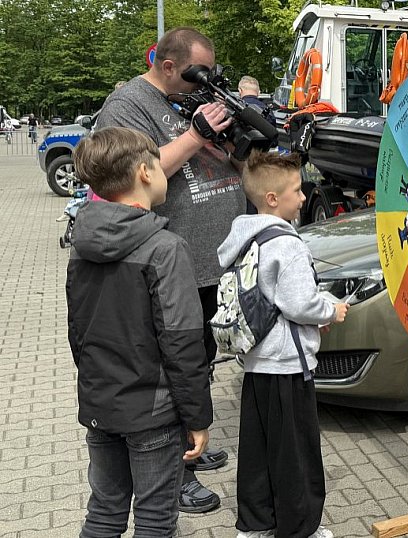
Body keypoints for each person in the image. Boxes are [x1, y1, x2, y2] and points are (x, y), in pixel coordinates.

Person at [95, 26, 241, 514]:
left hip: (205, 261)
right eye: (195, 71)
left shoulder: (183, 98)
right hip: (172, 262)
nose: (202, 81)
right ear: (170, 65)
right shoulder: (127, 105)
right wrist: (197, 134)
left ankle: (190, 447)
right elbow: (141, 170)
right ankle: (173, 474)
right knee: (171, 369)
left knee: (195, 363)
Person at [66, 126, 213, 536]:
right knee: (154, 518)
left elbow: (78, 329)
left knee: (105, 510)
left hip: (102, 405)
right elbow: (182, 343)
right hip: (152, 412)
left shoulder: (82, 243)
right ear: (146, 172)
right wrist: (198, 417)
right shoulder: (165, 248)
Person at [217, 151, 349, 538]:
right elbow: (299, 303)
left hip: (258, 361)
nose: (305, 197)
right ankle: (299, 527)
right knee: (296, 453)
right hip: (288, 365)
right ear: (273, 199)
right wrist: (330, 311)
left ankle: (256, 523)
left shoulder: (245, 236)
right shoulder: (287, 244)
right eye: (296, 190)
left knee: (258, 451)